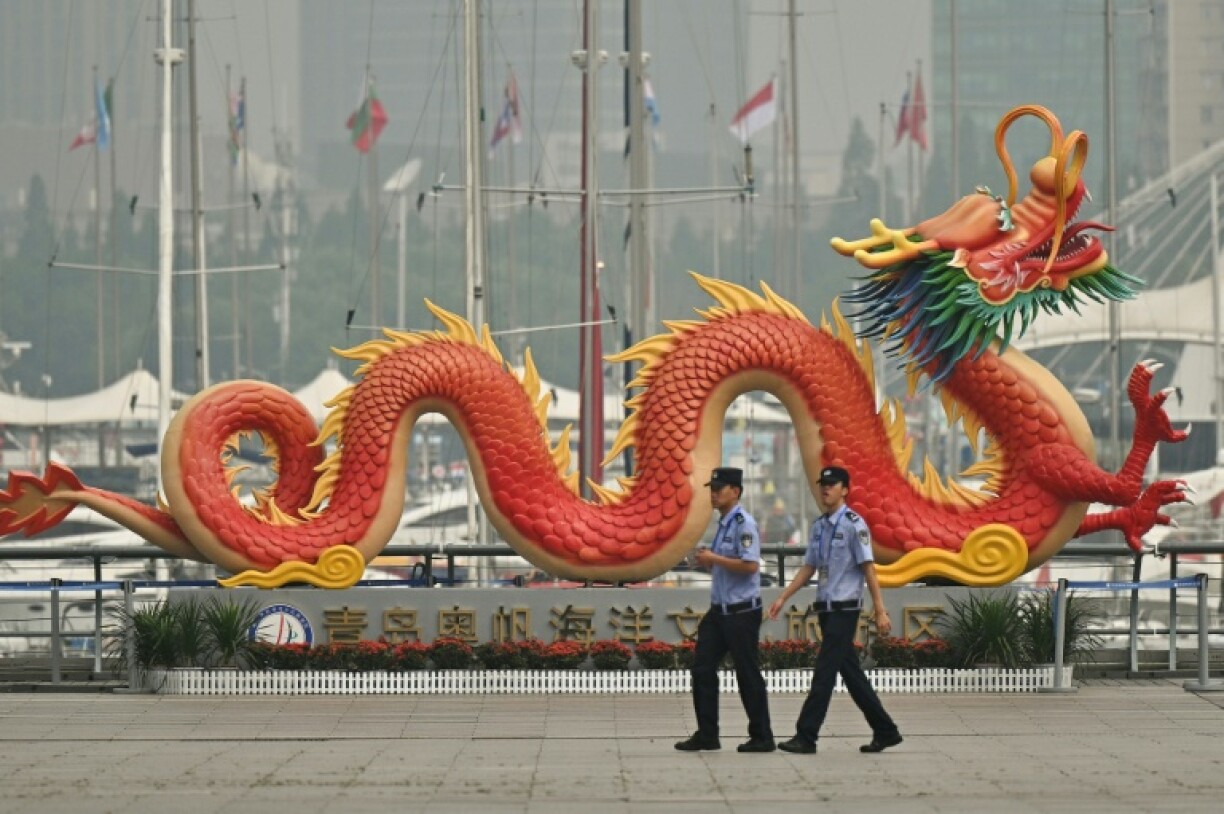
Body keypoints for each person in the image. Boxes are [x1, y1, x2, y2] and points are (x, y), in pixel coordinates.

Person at [767, 465, 902, 755]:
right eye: (823, 484)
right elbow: (809, 568)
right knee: (851, 674)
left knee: (824, 672)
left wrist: (880, 610)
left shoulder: (855, 524)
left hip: (845, 608)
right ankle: (885, 730)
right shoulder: (819, 526)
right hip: (826, 608)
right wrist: (784, 596)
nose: (825, 488)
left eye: (832, 484)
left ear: (845, 489)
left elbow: (869, 569)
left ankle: (806, 735)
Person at [675, 466, 775, 753]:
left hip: (742, 612)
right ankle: (708, 734)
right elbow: (723, 561)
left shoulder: (744, 523)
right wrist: (707, 559)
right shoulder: (724, 524)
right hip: (719, 612)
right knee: (702, 668)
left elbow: (751, 565)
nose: (714, 493)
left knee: (747, 673)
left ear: (736, 491)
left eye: (720, 488)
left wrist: (714, 559)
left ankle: (762, 736)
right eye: (712, 488)